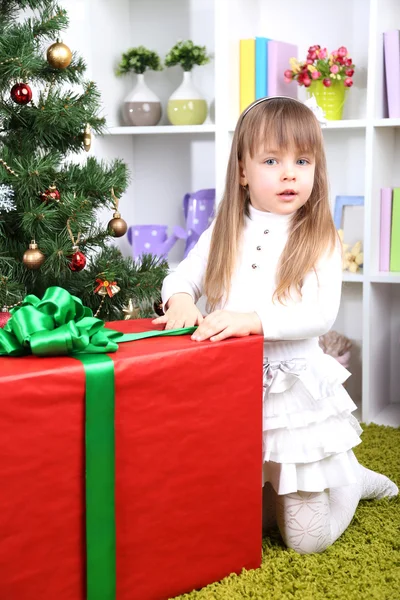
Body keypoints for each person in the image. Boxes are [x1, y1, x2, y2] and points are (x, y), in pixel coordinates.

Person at [152, 96, 398, 554]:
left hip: (292, 396)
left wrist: (251, 320)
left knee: (305, 542)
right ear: (243, 170)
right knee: (241, 520)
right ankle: (293, 484)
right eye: (272, 160)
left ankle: (351, 481)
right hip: (232, 391)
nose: (290, 173)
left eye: (302, 161)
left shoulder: (320, 235)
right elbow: (181, 275)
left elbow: (320, 314)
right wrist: (180, 297)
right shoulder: (222, 231)